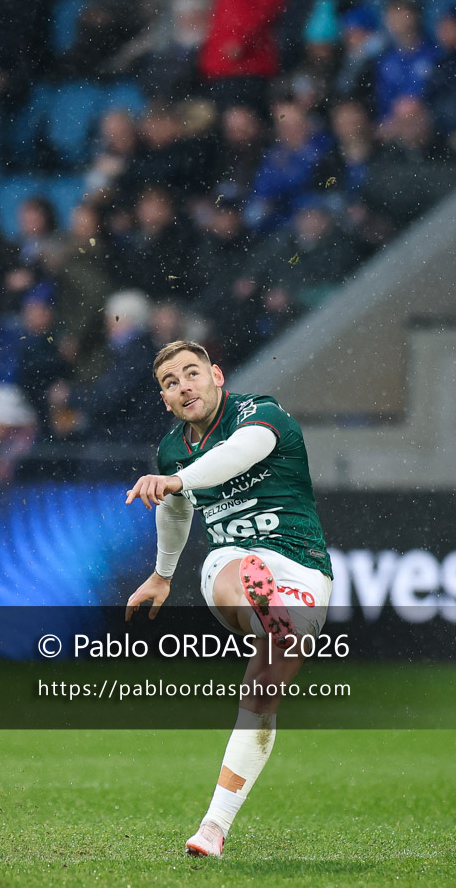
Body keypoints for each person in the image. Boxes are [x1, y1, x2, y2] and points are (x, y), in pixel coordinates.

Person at [124, 340, 333, 857]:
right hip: (235, 559)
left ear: (217, 375)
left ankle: (213, 829)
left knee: (262, 693)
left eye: (191, 374)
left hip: (301, 565)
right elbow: (176, 510)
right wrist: (162, 575)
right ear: (165, 400)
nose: (182, 386)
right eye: (170, 383)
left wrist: (174, 481)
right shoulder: (173, 448)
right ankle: (271, 624)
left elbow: (239, 455)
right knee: (233, 572)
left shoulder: (260, 412)